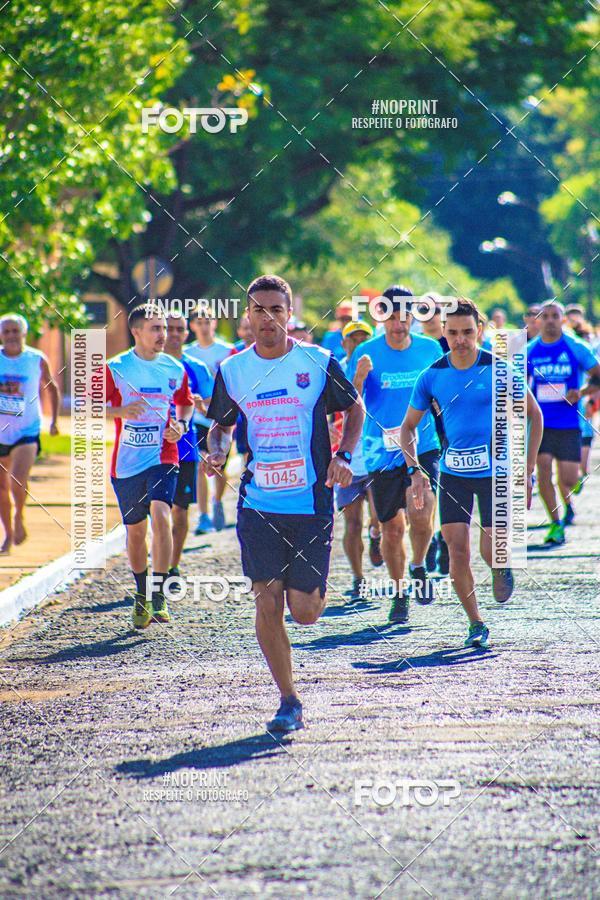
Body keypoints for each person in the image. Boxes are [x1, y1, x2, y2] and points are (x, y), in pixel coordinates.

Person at [204, 274, 364, 733]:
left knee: (306, 612)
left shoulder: (317, 361)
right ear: (247, 317)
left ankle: (314, 587)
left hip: (311, 502)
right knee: (266, 601)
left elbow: (353, 408)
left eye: (276, 309)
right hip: (258, 504)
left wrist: (344, 455)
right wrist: (217, 449)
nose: (267, 317)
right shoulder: (233, 370)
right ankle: (288, 700)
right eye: (259, 309)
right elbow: (221, 424)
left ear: (289, 314)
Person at [401, 298, 543, 649]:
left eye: (467, 332)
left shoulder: (498, 369)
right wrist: (414, 469)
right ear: (443, 333)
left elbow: (534, 416)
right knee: (457, 548)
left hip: (495, 471)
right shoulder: (432, 375)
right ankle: (475, 622)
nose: (461, 340)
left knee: (492, 545)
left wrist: (527, 469)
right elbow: (407, 428)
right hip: (453, 472)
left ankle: (499, 566)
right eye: (453, 333)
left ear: (479, 330)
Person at [346, 285, 443, 624]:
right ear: (382, 318)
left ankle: (418, 565)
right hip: (380, 450)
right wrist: (358, 377)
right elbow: (349, 401)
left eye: (405, 318)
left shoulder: (431, 349)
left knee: (421, 512)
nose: (399, 326)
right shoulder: (366, 353)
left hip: (424, 443)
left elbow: (442, 393)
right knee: (390, 529)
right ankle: (399, 592)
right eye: (392, 318)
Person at [106, 304, 194, 629]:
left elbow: (185, 404)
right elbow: (90, 406)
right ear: (137, 331)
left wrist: (181, 428)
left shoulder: (174, 367)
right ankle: (141, 594)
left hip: (164, 455)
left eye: (165, 328)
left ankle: (159, 593)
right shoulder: (116, 367)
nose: (164, 335)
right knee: (136, 532)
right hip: (126, 463)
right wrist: (121, 411)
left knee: (162, 516)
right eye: (156, 328)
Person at [527, 300, 600, 544]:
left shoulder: (575, 346)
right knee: (544, 470)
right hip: (541, 424)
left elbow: (597, 377)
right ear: (538, 321)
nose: (549, 320)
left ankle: (569, 493)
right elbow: (515, 384)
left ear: (562, 320)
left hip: (569, 422)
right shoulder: (529, 350)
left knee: (567, 479)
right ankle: (555, 523)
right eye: (544, 316)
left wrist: (580, 392)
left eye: (554, 316)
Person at [332, 319, 382, 602]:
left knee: (381, 519)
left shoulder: (378, 369)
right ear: (344, 343)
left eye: (365, 338)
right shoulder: (335, 369)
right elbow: (339, 404)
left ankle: (377, 535)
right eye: (354, 339)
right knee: (351, 523)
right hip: (348, 458)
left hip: (376, 457)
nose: (359, 343)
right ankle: (358, 579)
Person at [0, 314, 60, 553]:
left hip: (27, 429)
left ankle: (19, 516)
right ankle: (8, 534)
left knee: (17, 478)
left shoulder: (36, 359)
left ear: (24, 334)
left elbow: (52, 387)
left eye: (16, 331)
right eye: (7, 332)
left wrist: (54, 421)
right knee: (1, 489)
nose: (12, 336)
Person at [163, 312, 214, 587]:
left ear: (186, 333)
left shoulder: (196, 368)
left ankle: (172, 564)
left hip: (185, 448)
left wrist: (198, 404)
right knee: (155, 511)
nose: (172, 334)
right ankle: (158, 557)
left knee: (180, 511)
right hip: (151, 450)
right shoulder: (150, 364)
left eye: (178, 329)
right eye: (167, 329)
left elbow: (210, 408)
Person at [186, 312, 233, 533]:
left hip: (222, 417)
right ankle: (203, 515)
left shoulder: (226, 351)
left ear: (214, 323)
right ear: (193, 325)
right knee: (201, 461)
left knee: (219, 464)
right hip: (197, 417)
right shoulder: (187, 353)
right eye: (199, 323)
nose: (204, 327)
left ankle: (217, 500)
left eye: (207, 322)